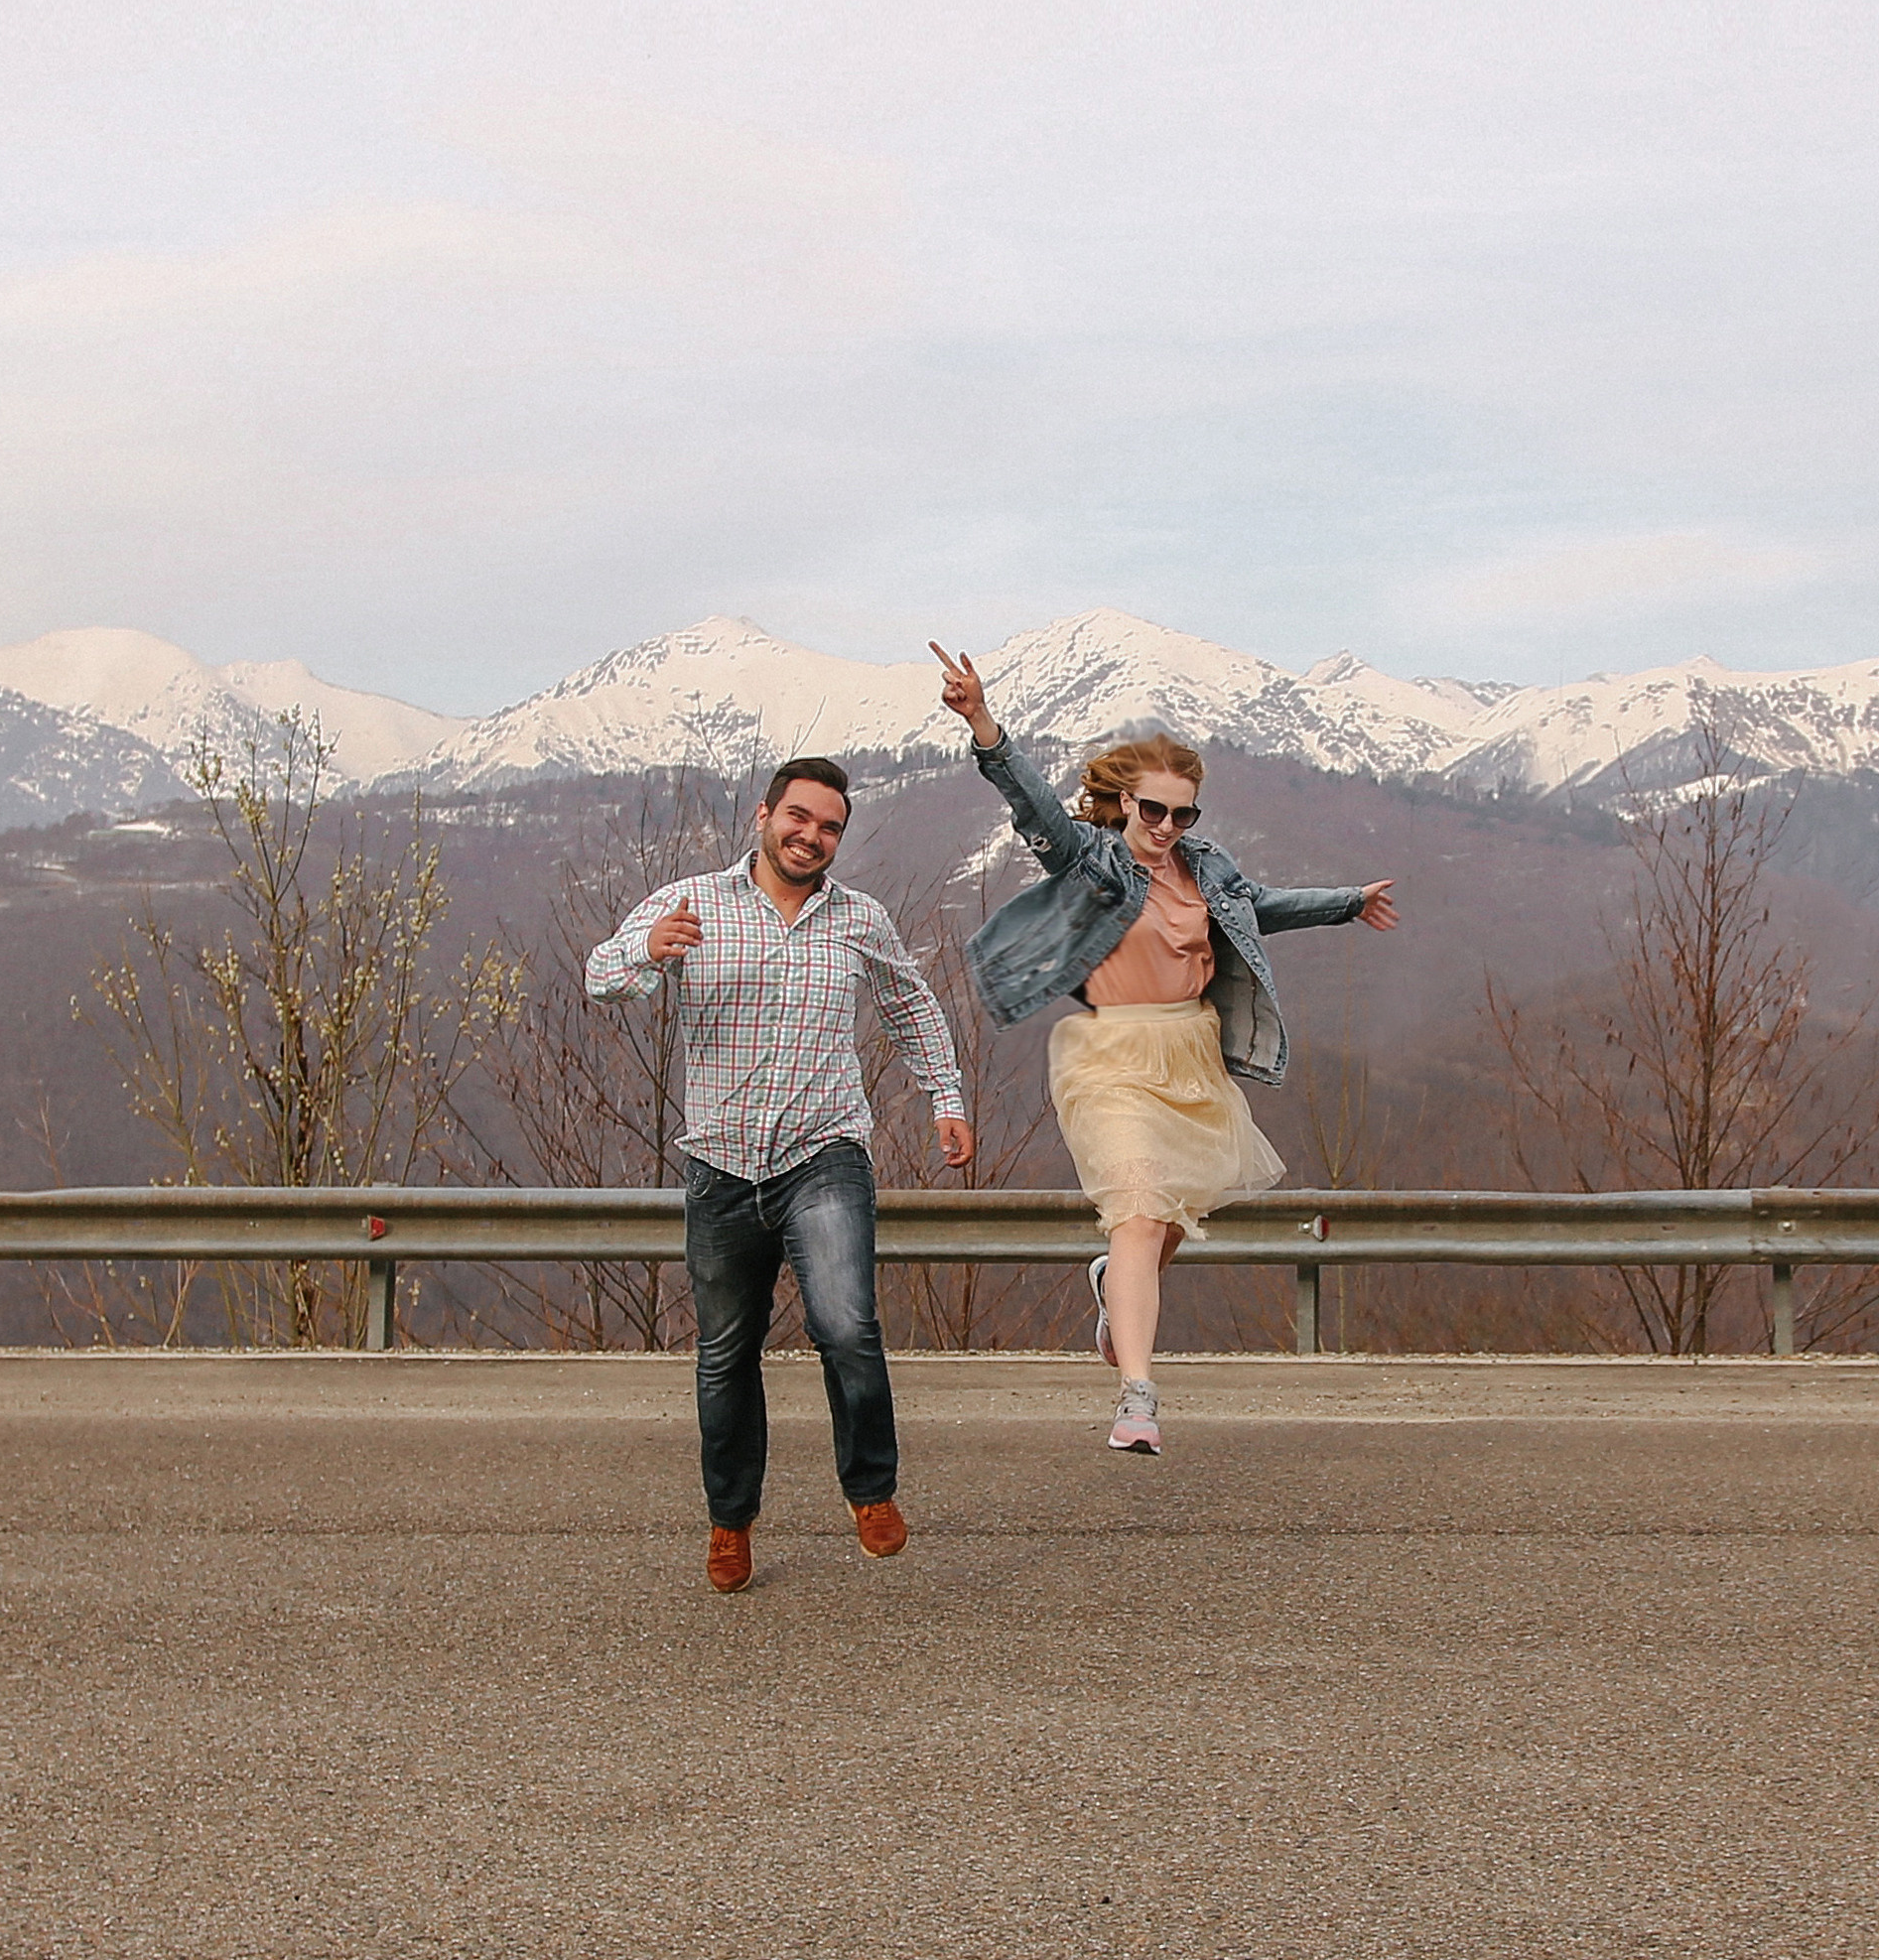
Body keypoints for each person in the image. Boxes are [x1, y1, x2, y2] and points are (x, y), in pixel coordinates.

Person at [931, 643, 1397, 1455]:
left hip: (1192, 1055)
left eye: (1182, 814)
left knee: (1177, 1213)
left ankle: (1114, 1284)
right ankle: (1137, 1396)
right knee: (1141, 1210)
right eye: (1152, 811)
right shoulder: (1092, 860)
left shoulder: (1207, 868)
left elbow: (1261, 909)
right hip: (1109, 1057)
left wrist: (1347, 903)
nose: (1166, 827)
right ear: (1121, 804)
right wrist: (981, 721)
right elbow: (1033, 804)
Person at [585, 754, 975, 1594]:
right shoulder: (691, 902)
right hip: (720, 1163)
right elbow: (600, 976)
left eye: (829, 826)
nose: (811, 836)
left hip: (822, 1153)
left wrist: (945, 1094)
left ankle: (869, 1491)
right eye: (799, 818)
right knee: (725, 1354)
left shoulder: (857, 919)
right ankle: (731, 1523)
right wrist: (647, 953)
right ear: (764, 816)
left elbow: (910, 1003)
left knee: (845, 1326)